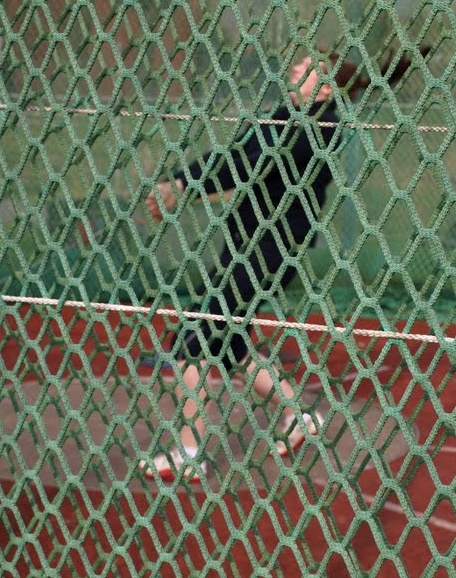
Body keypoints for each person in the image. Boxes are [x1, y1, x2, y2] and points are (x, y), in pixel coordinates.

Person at [140, 48, 422, 483]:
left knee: (191, 343)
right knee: (230, 344)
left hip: (264, 250)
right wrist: (185, 183)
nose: (295, 67)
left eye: (307, 67)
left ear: (325, 88)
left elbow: (243, 163)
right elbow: (237, 155)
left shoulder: (314, 127)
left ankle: (190, 452)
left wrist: (182, 184)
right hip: (250, 246)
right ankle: (298, 415)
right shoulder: (289, 117)